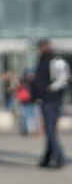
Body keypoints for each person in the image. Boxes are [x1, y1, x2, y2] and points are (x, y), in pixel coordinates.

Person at [34, 39, 69, 168]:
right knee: (51, 130)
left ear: (43, 47)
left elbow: (41, 82)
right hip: (56, 100)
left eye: (39, 48)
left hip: (48, 100)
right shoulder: (57, 61)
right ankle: (47, 159)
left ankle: (60, 157)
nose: (38, 50)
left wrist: (41, 95)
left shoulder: (46, 62)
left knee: (50, 130)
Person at [16, 69, 40, 136]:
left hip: (32, 101)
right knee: (26, 116)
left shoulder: (31, 82)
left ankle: (36, 130)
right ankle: (25, 130)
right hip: (26, 102)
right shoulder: (24, 82)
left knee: (34, 116)